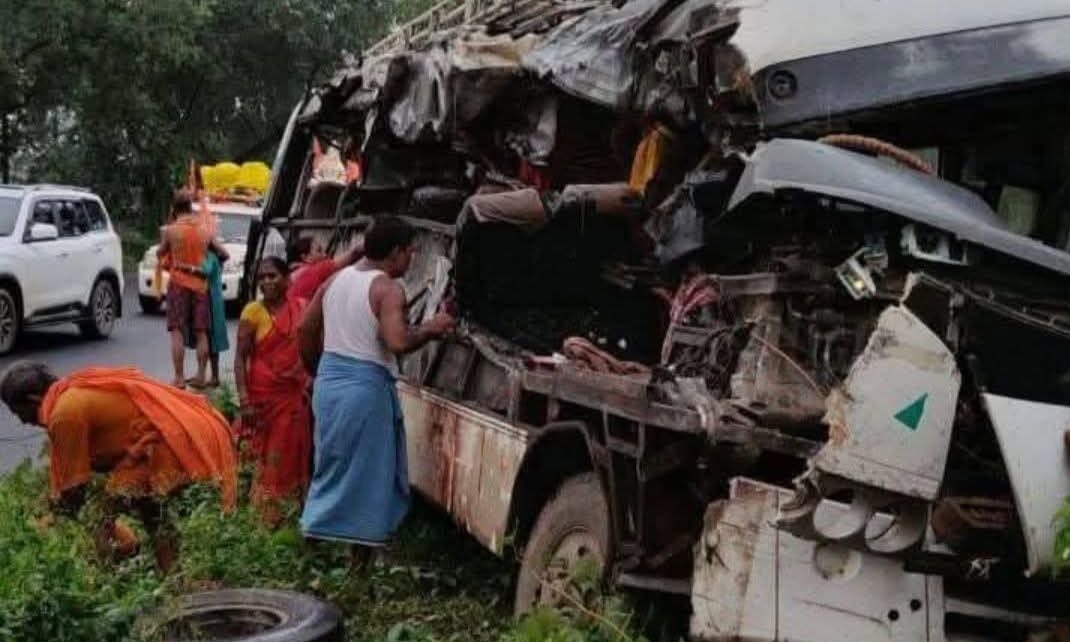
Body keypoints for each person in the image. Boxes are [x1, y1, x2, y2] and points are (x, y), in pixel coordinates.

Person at [298, 216, 454, 564]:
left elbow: (305, 328)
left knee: (330, 467)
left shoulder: (336, 280)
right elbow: (397, 341)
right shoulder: (387, 289)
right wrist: (432, 327)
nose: (412, 258)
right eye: (410, 252)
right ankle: (359, 567)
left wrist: (318, 371)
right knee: (368, 477)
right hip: (365, 390)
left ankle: (311, 551)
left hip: (330, 386)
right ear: (396, 252)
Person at [0, 362, 237, 571]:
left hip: (171, 442)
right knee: (150, 511)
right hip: (168, 439)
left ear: (33, 399)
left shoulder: (64, 413)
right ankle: (172, 574)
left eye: (18, 412)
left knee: (98, 517)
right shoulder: (71, 392)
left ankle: (111, 578)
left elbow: (75, 491)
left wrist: (44, 522)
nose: (22, 420)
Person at [234, 257, 311, 523]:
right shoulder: (252, 312)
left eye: (272, 276)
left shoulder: (301, 308)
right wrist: (244, 400)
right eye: (262, 277)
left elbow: (311, 349)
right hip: (260, 399)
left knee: (285, 455)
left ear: (287, 279)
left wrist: (308, 378)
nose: (266, 281)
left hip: (290, 399)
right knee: (256, 454)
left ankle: (281, 515)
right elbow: (240, 359)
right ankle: (255, 515)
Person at [158, 189, 212, 388]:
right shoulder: (204, 230)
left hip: (179, 283)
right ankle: (201, 375)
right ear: (190, 207)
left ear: (174, 208)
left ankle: (179, 377)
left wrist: (165, 255)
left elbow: (161, 252)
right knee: (201, 331)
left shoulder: (171, 231)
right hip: (200, 285)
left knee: (177, 330)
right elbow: (209, 254)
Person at [185, 243, 230, 388]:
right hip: (211, 299)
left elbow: (205, 272)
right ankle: (205, 374)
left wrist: (189, 269)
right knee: (207, 339)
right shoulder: (212, 256)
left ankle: (210, 376)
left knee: (210, 338)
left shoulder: (209, 256)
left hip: (210, 301)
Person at [288, 235, 365, 301]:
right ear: (305, 257)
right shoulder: (316, 270)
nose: (325, 254)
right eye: (319, 251)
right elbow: (354, 253)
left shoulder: (292, 275)